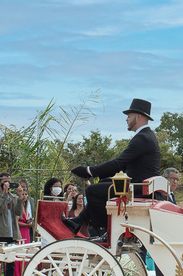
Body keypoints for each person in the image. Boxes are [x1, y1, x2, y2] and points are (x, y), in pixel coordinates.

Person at [63, 98, 161, 239]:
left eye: (129, 116)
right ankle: (78, 221)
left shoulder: (142, 138)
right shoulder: (146, 136)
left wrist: (88, 171)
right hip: (140, 186)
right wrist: (95, 173)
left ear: (139, 117)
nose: (126, 119)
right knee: (102, 184)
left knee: (92, 191)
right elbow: (120, 166)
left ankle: (105, 230)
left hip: (138, 188)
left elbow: (117, 164)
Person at [148, 167, 180, 276]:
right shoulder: (157, 195)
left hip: (169, 237)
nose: (175, 182)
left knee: (165, 272)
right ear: (164, 179)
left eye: (177, 179)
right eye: (172, 179)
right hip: (159, 237)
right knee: (163, 272)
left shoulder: (171, 196)